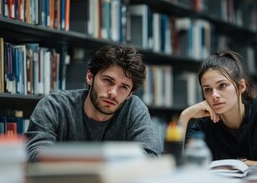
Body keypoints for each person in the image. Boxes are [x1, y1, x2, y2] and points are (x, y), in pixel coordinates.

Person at [25, 44, 162, 162]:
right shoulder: (54, 106)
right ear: (90, 77)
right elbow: (35, 156)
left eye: (123, 87)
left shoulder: (133, 108)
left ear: (129, 94)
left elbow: (151, 157)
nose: (113, 93)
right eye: (108, 80)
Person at [177, 50, 257, 166]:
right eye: (208, 89)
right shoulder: (205, 123)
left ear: (241, 86)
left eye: (222, 85)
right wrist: (185, 116)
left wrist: (241, 164)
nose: (214, 95)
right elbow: (179, 166)